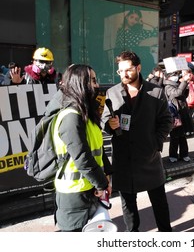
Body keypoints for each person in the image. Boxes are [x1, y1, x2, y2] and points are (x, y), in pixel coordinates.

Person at [100, 51, 173, 232]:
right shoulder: (112, 92)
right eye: (120, 71)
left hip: (149, 157)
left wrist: (155, 143)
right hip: (123, 159)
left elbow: (166, 121)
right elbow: (104, 121)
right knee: (128, 205)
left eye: (128, 70)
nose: (124, 75)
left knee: (159, 202)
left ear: (138, 68)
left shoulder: (156, 91)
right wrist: (110, 124)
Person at [49, 64, 111, 232]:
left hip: (88, 188)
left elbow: (97, 149)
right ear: (79, 83)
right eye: (92, 80)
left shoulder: (85, 114)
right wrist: (102, 184)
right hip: (73, 196)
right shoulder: (71, 118)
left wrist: (106, 175)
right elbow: (83, 158)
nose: (96, 85)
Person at [163, 70, 192, 163]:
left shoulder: (177, 84)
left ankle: (184, 154)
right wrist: (184, 82)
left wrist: (186, 84)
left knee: (182, 136)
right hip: (175, 114)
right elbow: (177, 93)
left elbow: (184, 94)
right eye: (173, 75)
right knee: (175, 137)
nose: (176, 77)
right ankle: (173, 155)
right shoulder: (168, 86)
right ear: (168, 77)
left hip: (182, 113)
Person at [183, 68, 194, 135]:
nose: (183, 74)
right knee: (191, 115)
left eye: (184, 73)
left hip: (188, 100)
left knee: (187, 116)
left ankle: (189, 130)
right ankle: (192, 130)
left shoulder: (187, 80)